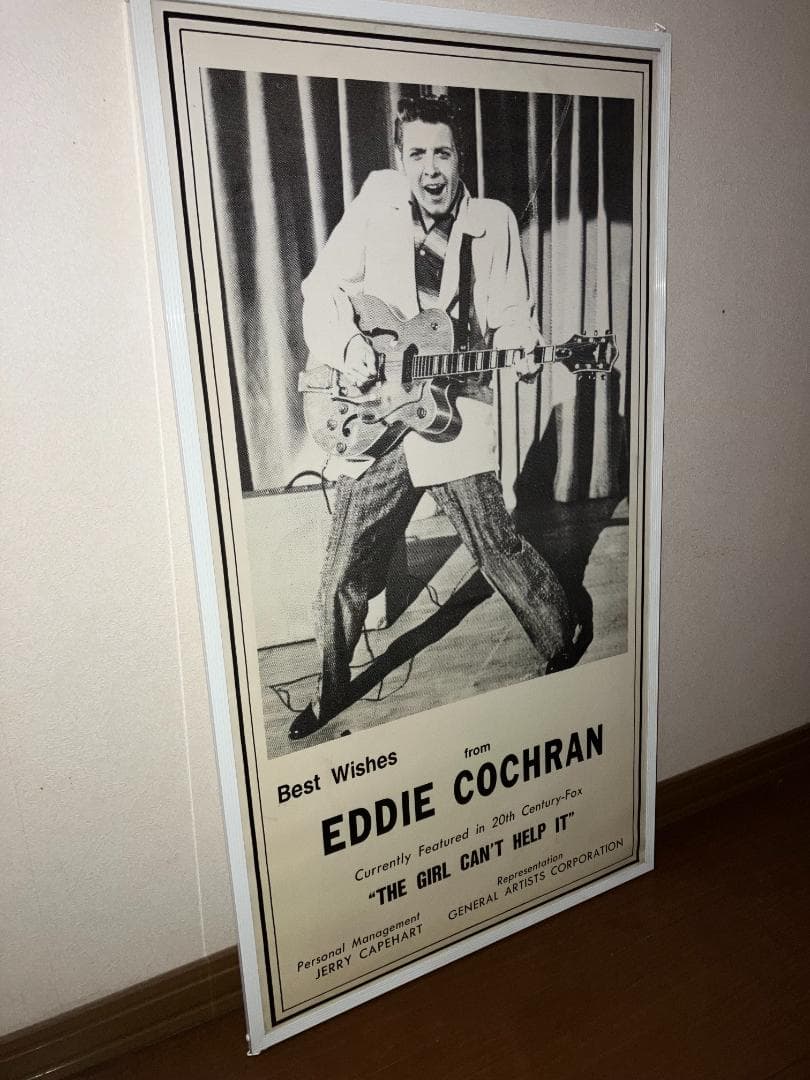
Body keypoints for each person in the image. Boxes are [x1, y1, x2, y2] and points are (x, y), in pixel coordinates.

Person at [290, 94, 575, 740]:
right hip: (379, 413)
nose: (431, 169)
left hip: (451, 414)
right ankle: (329, 690)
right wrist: (353, 349)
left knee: (495, 546)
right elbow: (320, 290)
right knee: (343, 569)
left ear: (460, 156)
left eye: (442, 153)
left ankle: (563, 642)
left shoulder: (493, 223)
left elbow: (512, 315)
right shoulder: (377, 203)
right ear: (399, 157)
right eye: (416, 153)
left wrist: (526, 350)